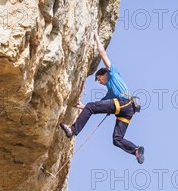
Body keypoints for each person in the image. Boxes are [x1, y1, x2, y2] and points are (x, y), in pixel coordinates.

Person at [60, 30, 145, 164]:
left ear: (104, 74)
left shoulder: (113, 73)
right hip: (127, 111)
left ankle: (72, 129)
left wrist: (96, 37)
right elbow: (99, 106)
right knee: (116, 139)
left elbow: (102, 53)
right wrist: (83, 106)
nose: (100, 82)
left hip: (124, 103)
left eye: (99, 79)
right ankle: (135, 150)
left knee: (91, 107)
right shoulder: (110, 92)